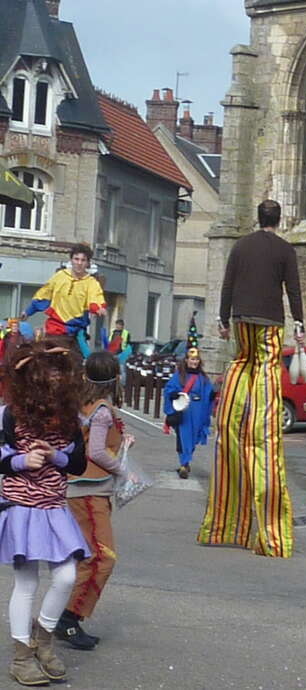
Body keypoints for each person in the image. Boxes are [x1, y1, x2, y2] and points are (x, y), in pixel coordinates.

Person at [197, 199, 305, 559]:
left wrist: (224, 319)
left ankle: (225, 525)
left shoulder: (241, 246)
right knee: (266, 373)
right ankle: (270, 533)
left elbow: (227, 284)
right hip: (271, 322)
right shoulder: (285, 249)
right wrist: (300, 326)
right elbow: (293, 290)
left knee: (241, 365)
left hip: (242, 319)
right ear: (280, 220)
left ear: (257, 219)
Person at [0, 339, 89, 686]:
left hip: (54, 507)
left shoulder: (69, 418)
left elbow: (79, 463)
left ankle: (44, 640)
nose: (54, 379)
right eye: (47, 373)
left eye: (59, 373)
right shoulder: (8, 414)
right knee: (26, 582)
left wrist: (55, 456)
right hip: (21, 507)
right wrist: (22, 460)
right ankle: (22, 655)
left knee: (66, 576)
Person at [55, 351, 134, 650]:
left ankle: (64, 616)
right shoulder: (101, 410)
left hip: (84, 489)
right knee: (100, 557)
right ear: (114, 377)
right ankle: (68, 618)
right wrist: (124, 470)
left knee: (87, 558)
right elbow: (97, 452)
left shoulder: (85, 403)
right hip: (88, 489)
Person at [21, 243, 106, 341]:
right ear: (71, 260)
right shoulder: (60, 276)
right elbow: (45, 294)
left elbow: (95, 297)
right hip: (54, 326)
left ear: (87, 263)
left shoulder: (91, 283)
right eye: (76, 259)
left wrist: (99, 308)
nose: (79, 263)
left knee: (85, 355)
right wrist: (28, 311)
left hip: (76, 330)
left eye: (83, 260)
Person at [163, 347, 214, 479]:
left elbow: (208, 392)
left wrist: (213, 395)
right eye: (192, 359)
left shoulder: (203, 378)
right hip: (184, 411)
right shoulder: (179, 375)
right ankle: (184, 464)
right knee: (183, 437)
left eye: (196, 359)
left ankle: (186, 460)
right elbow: (169, 389)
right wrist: (173, 394)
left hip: (198, 412)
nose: (194, 362)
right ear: (186, 360)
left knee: (192, 439)